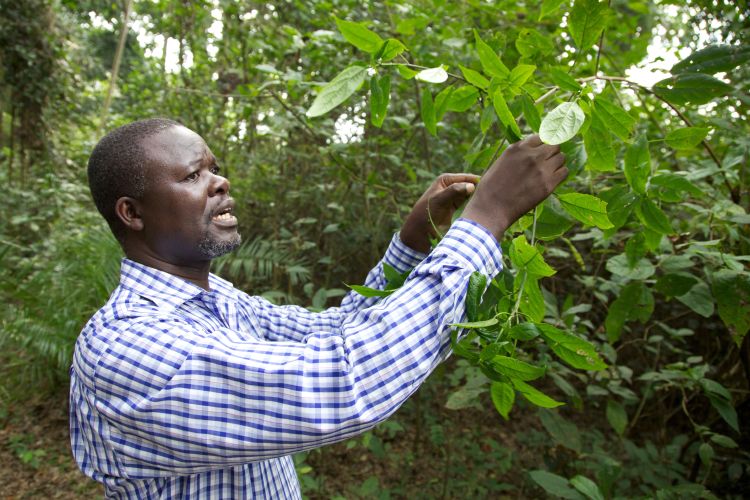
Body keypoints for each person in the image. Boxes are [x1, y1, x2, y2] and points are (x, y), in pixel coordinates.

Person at [70, 118, 567, 498]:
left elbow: (335, 330)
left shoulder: (216, 301)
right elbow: (339, 382)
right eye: (193, 174)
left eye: (215, 169)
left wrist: (414, 243)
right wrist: (487, 218)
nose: (219, 182)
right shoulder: (127, 345)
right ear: (132, 213)